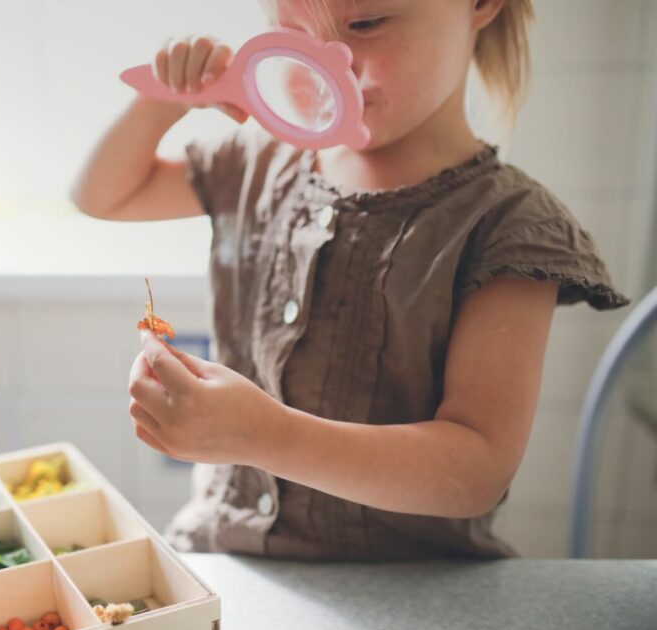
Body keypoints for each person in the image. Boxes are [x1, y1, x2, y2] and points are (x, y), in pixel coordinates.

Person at [70, 0, 630, 559]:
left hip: (409, 602)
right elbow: (102, 196)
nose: (325, 68)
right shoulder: (257, 161)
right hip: (227, 562)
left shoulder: (508, 225)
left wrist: (266, 437)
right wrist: (163, 100)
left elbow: (478, 472)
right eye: (292, 35)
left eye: (365, 24)